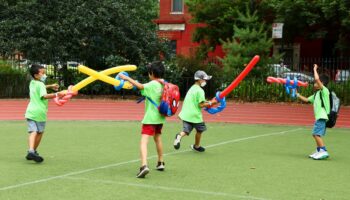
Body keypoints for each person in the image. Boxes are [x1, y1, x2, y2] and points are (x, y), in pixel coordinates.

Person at [119, 61, 166, 178]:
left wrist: (126, 78)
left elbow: (140, 86)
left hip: (150, 118)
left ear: (152, 73)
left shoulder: (152, 84)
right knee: (158, 138)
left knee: (144, 141)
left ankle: (144, 165)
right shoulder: (163, 84)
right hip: (160, 118)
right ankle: (161, 162)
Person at [25, 64, 65, 163]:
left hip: (30, 112)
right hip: (39, 113)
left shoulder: (32, 83)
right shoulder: (40, 84)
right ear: (36, 75)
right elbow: (44, 96)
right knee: (38, 132)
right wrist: (57, 94)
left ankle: (31, 151)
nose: (44, 74)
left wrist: (50, 86)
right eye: (42, 73)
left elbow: (41, 87)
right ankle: (32, 151)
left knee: (33, 132)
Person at [173, 70, 216, 152]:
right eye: (204, 79)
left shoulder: (192, 88)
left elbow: (198, 101)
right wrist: (211, 102)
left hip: (186, 114)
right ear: (200, 79)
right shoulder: (200, 91)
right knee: (200, 130)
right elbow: (201, 105)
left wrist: (209, 102)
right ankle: (196, 146)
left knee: (186, 131)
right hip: (195, 115)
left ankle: (179, 136)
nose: (205, 81)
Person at [296, 64, 330, 160]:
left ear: (321, 83)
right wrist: (297, 94)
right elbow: (306, 100)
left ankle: (323, 151)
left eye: (316, 82)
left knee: (316, 134)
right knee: (315, 134)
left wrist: (315, 69)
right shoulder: (316, 94)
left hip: (322, 116)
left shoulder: (324, 91)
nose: (314, 83)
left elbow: (317, 79)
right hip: (319, 117)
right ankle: (319, 150)